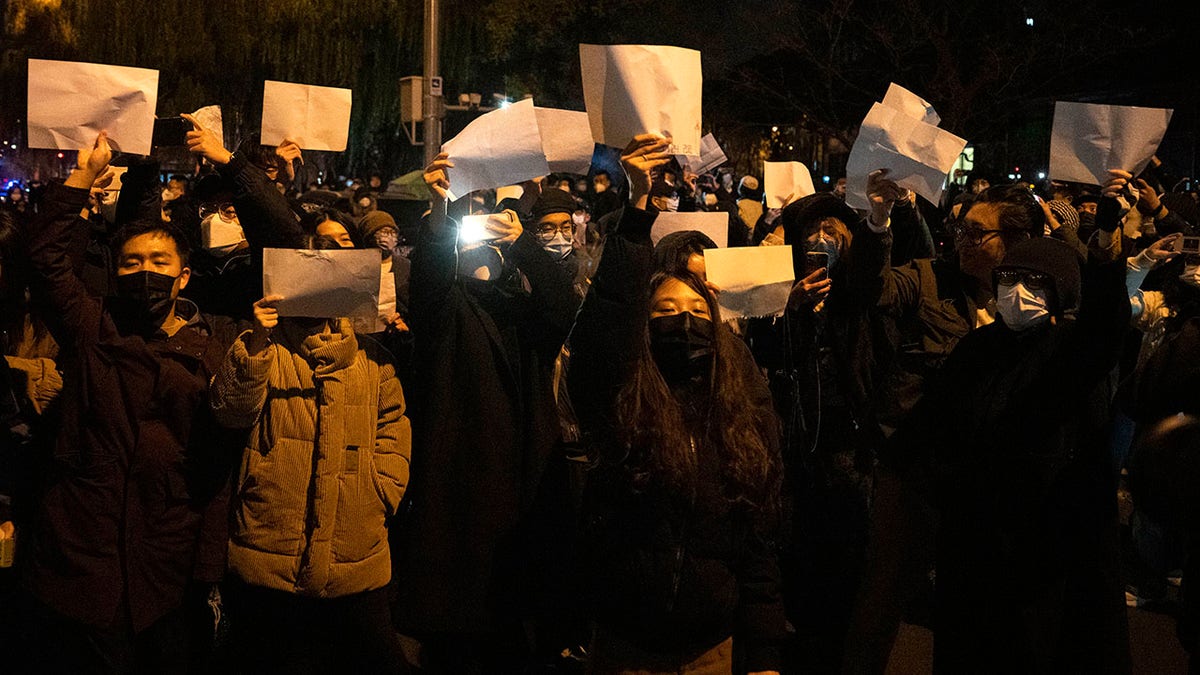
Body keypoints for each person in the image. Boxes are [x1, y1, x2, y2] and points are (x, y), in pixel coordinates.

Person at [16, 133, 240, 672]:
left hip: (167, 556)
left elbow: (216, 465)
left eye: (158, 260)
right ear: (114, 274)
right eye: (131, 261)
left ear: (183, 274)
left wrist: (209, 572)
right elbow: (45, 259)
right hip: (84, 552)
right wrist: (82, 176)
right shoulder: (94, 326)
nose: (144, 271)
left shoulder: (214, 343)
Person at [569, 134, 785, 675]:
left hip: (709, 645)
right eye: (665, 309)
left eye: (696, 307)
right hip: (625, 642)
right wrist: (637, 206)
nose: (683, 318)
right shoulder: (622, 396)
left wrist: (763, 651)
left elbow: (758, 535)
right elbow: (607, 325)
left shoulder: (740, 407)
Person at [888, 219, 1131, 672]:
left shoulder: (1069, 351)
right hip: (973, 540)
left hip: (1041, 547)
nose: (1017, 292)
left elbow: (1105, 328)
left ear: (1059, 293)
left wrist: (1105, 253)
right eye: (1009, 280)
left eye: (1034, 283)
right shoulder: (978, 349)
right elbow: (934, 423)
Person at [397, 152, 577, 672]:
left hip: (524, 496)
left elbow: (564, 310)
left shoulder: (524, 308)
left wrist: (521, 241)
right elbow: (428, 280)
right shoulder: (445, 306)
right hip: (460, 502)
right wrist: (438, 212)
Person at [209, 245, 411, 674]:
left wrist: (382, 488)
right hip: (271, 545)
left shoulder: (374, 361)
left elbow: (393, 428)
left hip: (357, 549)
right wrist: (257, 339)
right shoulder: (268, 350)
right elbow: (230, 411)